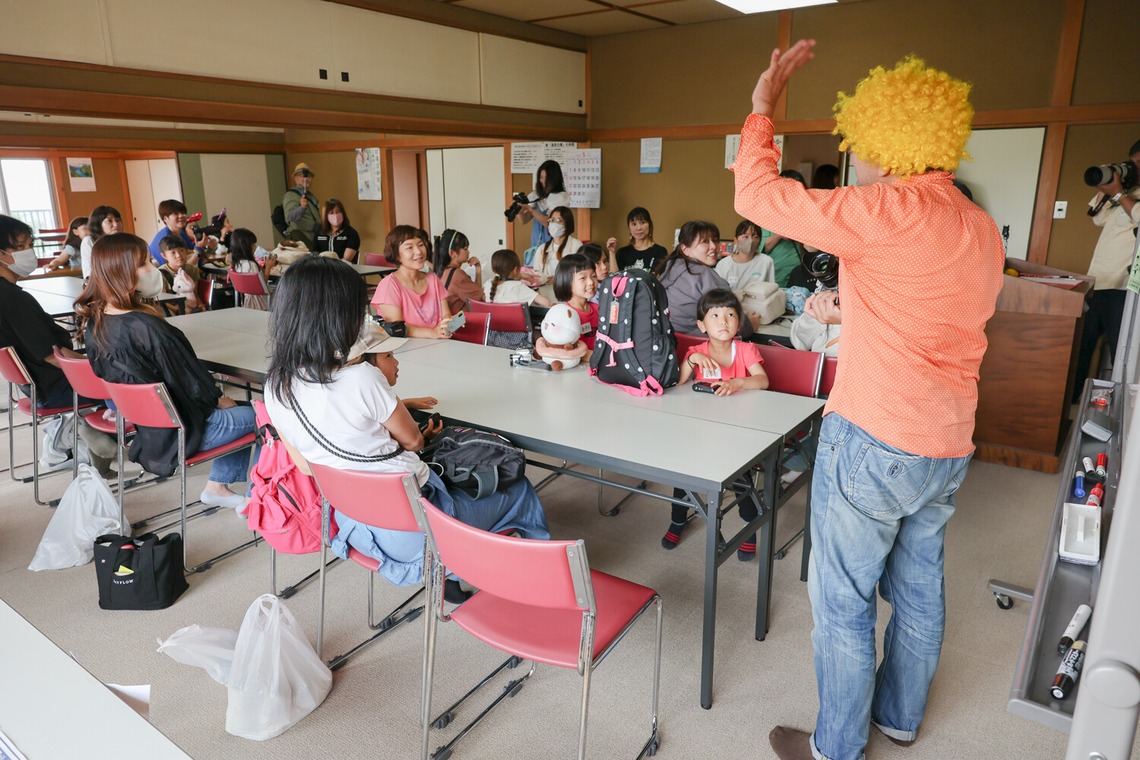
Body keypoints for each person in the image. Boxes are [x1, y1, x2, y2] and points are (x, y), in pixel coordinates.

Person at [735, 42, 1004, 760]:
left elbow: (755, 198)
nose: (854, 159)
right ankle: (901, 718)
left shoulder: (884, 207)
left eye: (859, 145)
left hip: (876, 435)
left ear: (885, 144)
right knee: (918, 587)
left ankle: (837, 749)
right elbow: (936, 310)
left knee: (843, 603)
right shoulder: (978, 227)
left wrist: (763, 109)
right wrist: (851, 306)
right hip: (947, 442)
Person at [263, 256, 549, 601]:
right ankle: (539, 584)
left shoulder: (276, 384)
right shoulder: (360, 378)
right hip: (414, 530)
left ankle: (451, 576)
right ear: (334, 316)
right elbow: (412, 440)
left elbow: (309, 465)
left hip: (351, 524)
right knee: (519, 489)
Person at [76, 232, 256, 509]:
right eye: (144, 264)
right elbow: (191, 382)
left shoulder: (96, 324)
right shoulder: (146, 327)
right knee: (270, 417)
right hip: (191, 427)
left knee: (246, 409)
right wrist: (219, 398)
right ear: (120, 271)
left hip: (152, 430)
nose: (152, 269)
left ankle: (218, 487)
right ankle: (261, 501)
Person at [662, 289, 769, 557]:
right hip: (700, 429)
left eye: (731, 315)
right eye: (716, 316)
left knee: (741, 478)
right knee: (682, 470)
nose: (724, 322)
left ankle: (749, 524)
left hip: (736, 431)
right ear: (701, 325)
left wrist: (737, 382)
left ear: (739, 321)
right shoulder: (696, 351)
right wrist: (689, 359)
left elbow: (763, 381)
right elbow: (679, 383)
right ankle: (678, 518)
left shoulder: (744, 349)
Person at [1074, 140, 1140, 396]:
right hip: (1097, 282)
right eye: (1132, 163)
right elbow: (1097, 218)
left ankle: (1120, 406)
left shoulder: (1127, 196)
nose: (1134, 168)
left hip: (1123, 288)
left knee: (1120, 350)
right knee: (1082, 345)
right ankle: (1071, 400)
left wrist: (1120, 193)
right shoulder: (1124, 191)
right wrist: (1107, 186)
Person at [654, 221, 755, 339]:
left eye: (715, 240)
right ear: (685, 249)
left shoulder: (671, 267)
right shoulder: (704, 275)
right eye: (705, 241)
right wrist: (752, 323)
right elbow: (739, 325)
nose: (714, 246)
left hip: (672, 341)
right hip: (701, 345)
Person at [372, 226, 453, 339]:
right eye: (409, 247)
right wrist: (432, 333)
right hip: (406, 348)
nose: (418, 251)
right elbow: (397, 328)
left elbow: (446, 314)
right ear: (396, 254)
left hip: (439, 344)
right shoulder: (389, 285)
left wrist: (449, 323)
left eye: (420, 245)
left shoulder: (433, 279)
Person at [759, 170, 809, 286]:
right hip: (775, 278)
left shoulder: (807, 213)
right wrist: (781, 233)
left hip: (800, 278)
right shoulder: (765, 214)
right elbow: (762, 247)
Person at [518, 159, 570, 250]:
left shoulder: (561, 197)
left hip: (555, 245)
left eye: (547, 178)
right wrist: (518, 211)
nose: (543, 181)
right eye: (541, 177)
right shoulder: (537, 195)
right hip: (537, 245)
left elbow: (549, 223)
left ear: (555, 179)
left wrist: (531, 210)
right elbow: (524, 221)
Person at [552, 253, 598, 350]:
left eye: (593, 276)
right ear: (567, 282)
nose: (591, 282)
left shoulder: (599, 309)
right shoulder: (565, 315)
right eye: (583, 278)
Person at [432, 228, 483, 314]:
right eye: (465, 249)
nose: (469, 252)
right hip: (462, 325)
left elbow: (475, 293)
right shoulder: (457, 275)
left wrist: (478, 269)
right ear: (452, 253)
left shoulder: (442, 271)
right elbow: (479, 299)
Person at [715, 219, 776, 291]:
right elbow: (718, 294)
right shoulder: (723, 265)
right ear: (736, 240)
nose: (751, 240)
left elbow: (772, 290)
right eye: (745, 236)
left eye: (755, 237)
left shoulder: (766, 262)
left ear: (760, 242)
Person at [606, 206, 668, 273]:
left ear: (649, 225)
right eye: (634, 224)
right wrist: (612, 252)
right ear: (629, 228)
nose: (638, 228)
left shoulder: (660, 252)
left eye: (642, 222)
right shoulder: (622, 253)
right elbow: (614, 278)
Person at [483, 249, 552, 307]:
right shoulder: (518, 287)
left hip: (493, 322)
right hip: (515, 323)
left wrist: (520, 276)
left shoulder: (488, 284)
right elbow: (546, 303)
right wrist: (534, 286)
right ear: (515, 270)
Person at [531, 206, 583, 283]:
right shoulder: (542, 248)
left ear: (568, 224)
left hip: (568, 291)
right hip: (545, 291)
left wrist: (558, 280)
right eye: (552, 220)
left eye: (559, 221)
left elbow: (581, 273)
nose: (554, 224)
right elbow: (536, 274)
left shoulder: (576, 245)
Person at [229, 228, 274, 311]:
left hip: (247, 302)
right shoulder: (251, 265)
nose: (255, 247)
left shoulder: (237, 264)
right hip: (261, 303)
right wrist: (268, 268)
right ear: (246, 246)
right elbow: (262, 286)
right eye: (253, 244)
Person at [157, 236, 204, 313]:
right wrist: (178, 309)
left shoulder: (192, 270)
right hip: (172, 311)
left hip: (191, 307)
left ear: (186, 251)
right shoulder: (160, 274)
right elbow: (163, 300)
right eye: (173, 252)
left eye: (181, 250)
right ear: (164, 256)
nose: (178, 255)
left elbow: (195, 293)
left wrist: (200, 304)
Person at [283, 162, 321, 249]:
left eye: (309, 176)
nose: (306, 179)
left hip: (312, 237)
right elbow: (289, 217)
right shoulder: (291, 195)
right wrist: (302, 208)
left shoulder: (310, 195)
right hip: (300, 239)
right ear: (295, 178)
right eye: (301, 176)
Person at [147, 200, 195, 265]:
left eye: (183, 213)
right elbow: (175, 269)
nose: (181, 216)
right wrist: (198, 251)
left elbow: (192, 249)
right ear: (165, 219)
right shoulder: (165, 238)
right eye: (176, 213)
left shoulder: (181, 233)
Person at [80, 205, 123, 279]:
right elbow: (89, 274)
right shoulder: (89, 241)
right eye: (110, 221)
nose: (116, 225)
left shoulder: (125, 241)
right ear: (98, 224)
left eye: (118, 220)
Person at [314, 198, 360, 262]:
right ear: (326, 216)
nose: (335, 215)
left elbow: (346, 260)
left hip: (343, 269)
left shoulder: (351, 234)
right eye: (331, 213)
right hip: (321, 268)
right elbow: (314, 253)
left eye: (338, 212)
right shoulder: (319, 231)